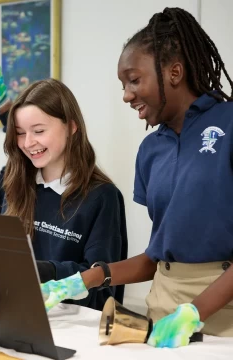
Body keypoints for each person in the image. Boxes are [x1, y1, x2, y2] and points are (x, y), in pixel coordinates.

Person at [41, 7, 233, 348]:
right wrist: (80, 281)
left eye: (134, 80)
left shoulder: (229, 124)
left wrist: (194, 312)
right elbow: (157, 257)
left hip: (223, 315)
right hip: (164, 310)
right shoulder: (150, 150)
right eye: (123, 84)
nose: (127, 95)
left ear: (174, 72)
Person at [0, 65, 128, 311]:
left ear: (72, 127)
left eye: (39, 131)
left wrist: (43, 271)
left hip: (74, 328)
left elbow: (103, 285)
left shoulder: (102, 197)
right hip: (16, 314)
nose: (28, 142)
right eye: (20, 133)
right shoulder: (16, 184)